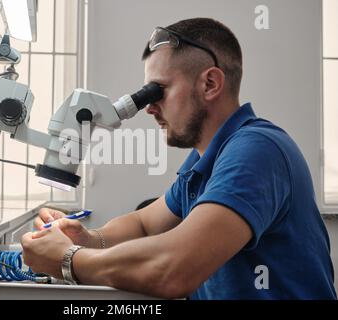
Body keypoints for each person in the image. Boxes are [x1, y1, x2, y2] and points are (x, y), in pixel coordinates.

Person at [21, 18, 336, 299]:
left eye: (157, 91)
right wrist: (90, 238)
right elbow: (145, 224)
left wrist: (69, 260)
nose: (148, 107)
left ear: (209, 84)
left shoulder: (257, 151)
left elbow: (173, 270)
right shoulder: (207, 158)